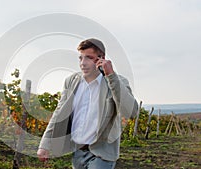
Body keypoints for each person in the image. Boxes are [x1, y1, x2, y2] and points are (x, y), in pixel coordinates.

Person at [37, 38, 138, 169]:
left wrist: (111, 76)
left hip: (102, 155)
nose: (83, 63)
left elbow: (131, 112)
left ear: (101, 58)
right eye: (80, 58)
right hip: (77, 152)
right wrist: (45, 144)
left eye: (88, 58)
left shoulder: (117, 81)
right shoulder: (71, 81)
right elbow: (59, 113)